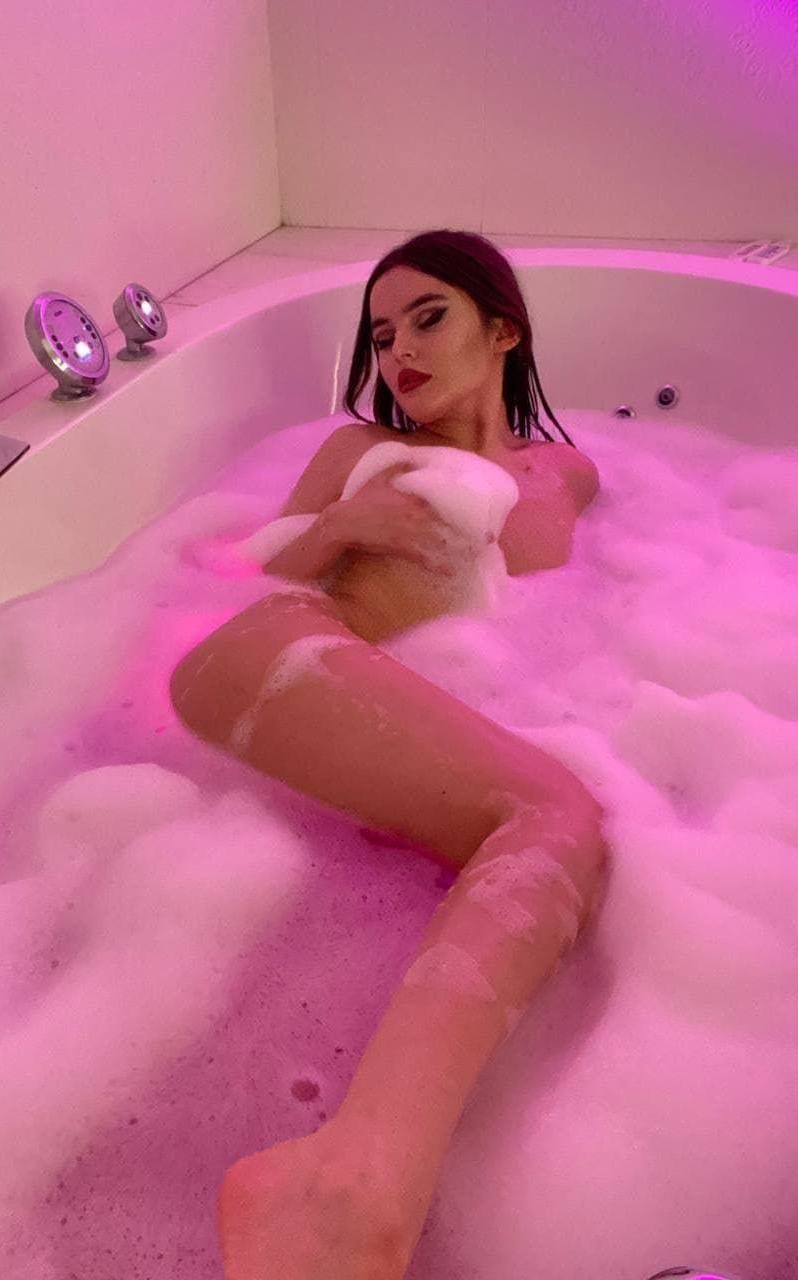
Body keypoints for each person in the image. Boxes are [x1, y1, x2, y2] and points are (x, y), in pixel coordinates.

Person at [169, 229, 609, 1280]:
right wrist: (342, 524)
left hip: (402, 703)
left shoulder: (567, 472)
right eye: (379, 334)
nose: (398, 350)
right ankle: (347, 1182)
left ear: (502, 329)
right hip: (276, 650)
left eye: (427, 317)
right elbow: (228, 568)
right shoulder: (358, 448)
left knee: (566, 830)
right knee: (555, 818)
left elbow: (594, 606)